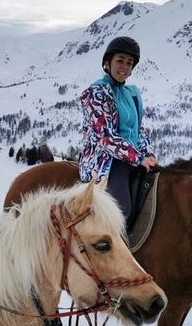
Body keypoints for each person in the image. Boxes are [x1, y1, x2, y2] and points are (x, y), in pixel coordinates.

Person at [78, 36, 158, 224]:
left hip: (132, 157)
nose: (125, 67)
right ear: (108, 63)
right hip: (106, 159)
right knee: (121, 210)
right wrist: (138, 158)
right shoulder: (96, 92)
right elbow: (105, 138)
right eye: (120, 60)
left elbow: (139, 130)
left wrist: (148, 154)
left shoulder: (132, 93)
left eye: (129, 63)